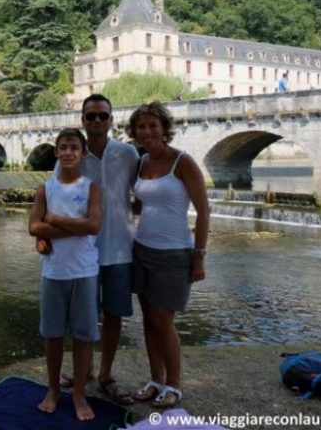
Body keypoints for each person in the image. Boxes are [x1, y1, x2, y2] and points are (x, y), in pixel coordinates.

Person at [55, 94, 139, 405]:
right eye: (91, 117)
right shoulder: (71, 155)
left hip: (119, 249)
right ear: (83, 120)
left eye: (103, 116)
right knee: (84, 315)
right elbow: (54, 197)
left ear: (111, 120)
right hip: (81, 250)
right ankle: (85, 369)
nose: (97, 122)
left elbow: (141, 191)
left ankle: (105, 374)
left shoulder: (127, 153)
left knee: (114, 314)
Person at [126, 101, 210, 408]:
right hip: (142, 249)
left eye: (153, 126)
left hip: (175, 252)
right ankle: (155, 379)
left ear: (164, 129)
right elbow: (141, 205)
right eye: (141, 127)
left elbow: (203, 211)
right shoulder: (141, 161)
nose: (147, 132)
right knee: (148, 320)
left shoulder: (182, 162)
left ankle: (174, 384)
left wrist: (198, 256)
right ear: (134, 132)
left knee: (163, 320)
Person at [29, 128, 102, 421]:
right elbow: (34, 227)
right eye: (63, 148)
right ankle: (53, 389)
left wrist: (53, 220)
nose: (69, 152)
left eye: (74, 147)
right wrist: (71, 225)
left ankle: (80, 394)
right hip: (54, 272)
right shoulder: (45, 189)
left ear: (83, 153)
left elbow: (94, 225)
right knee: (53, 335)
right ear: (56, 153)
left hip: (84, 271)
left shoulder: (92, 188)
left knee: (84, 336)